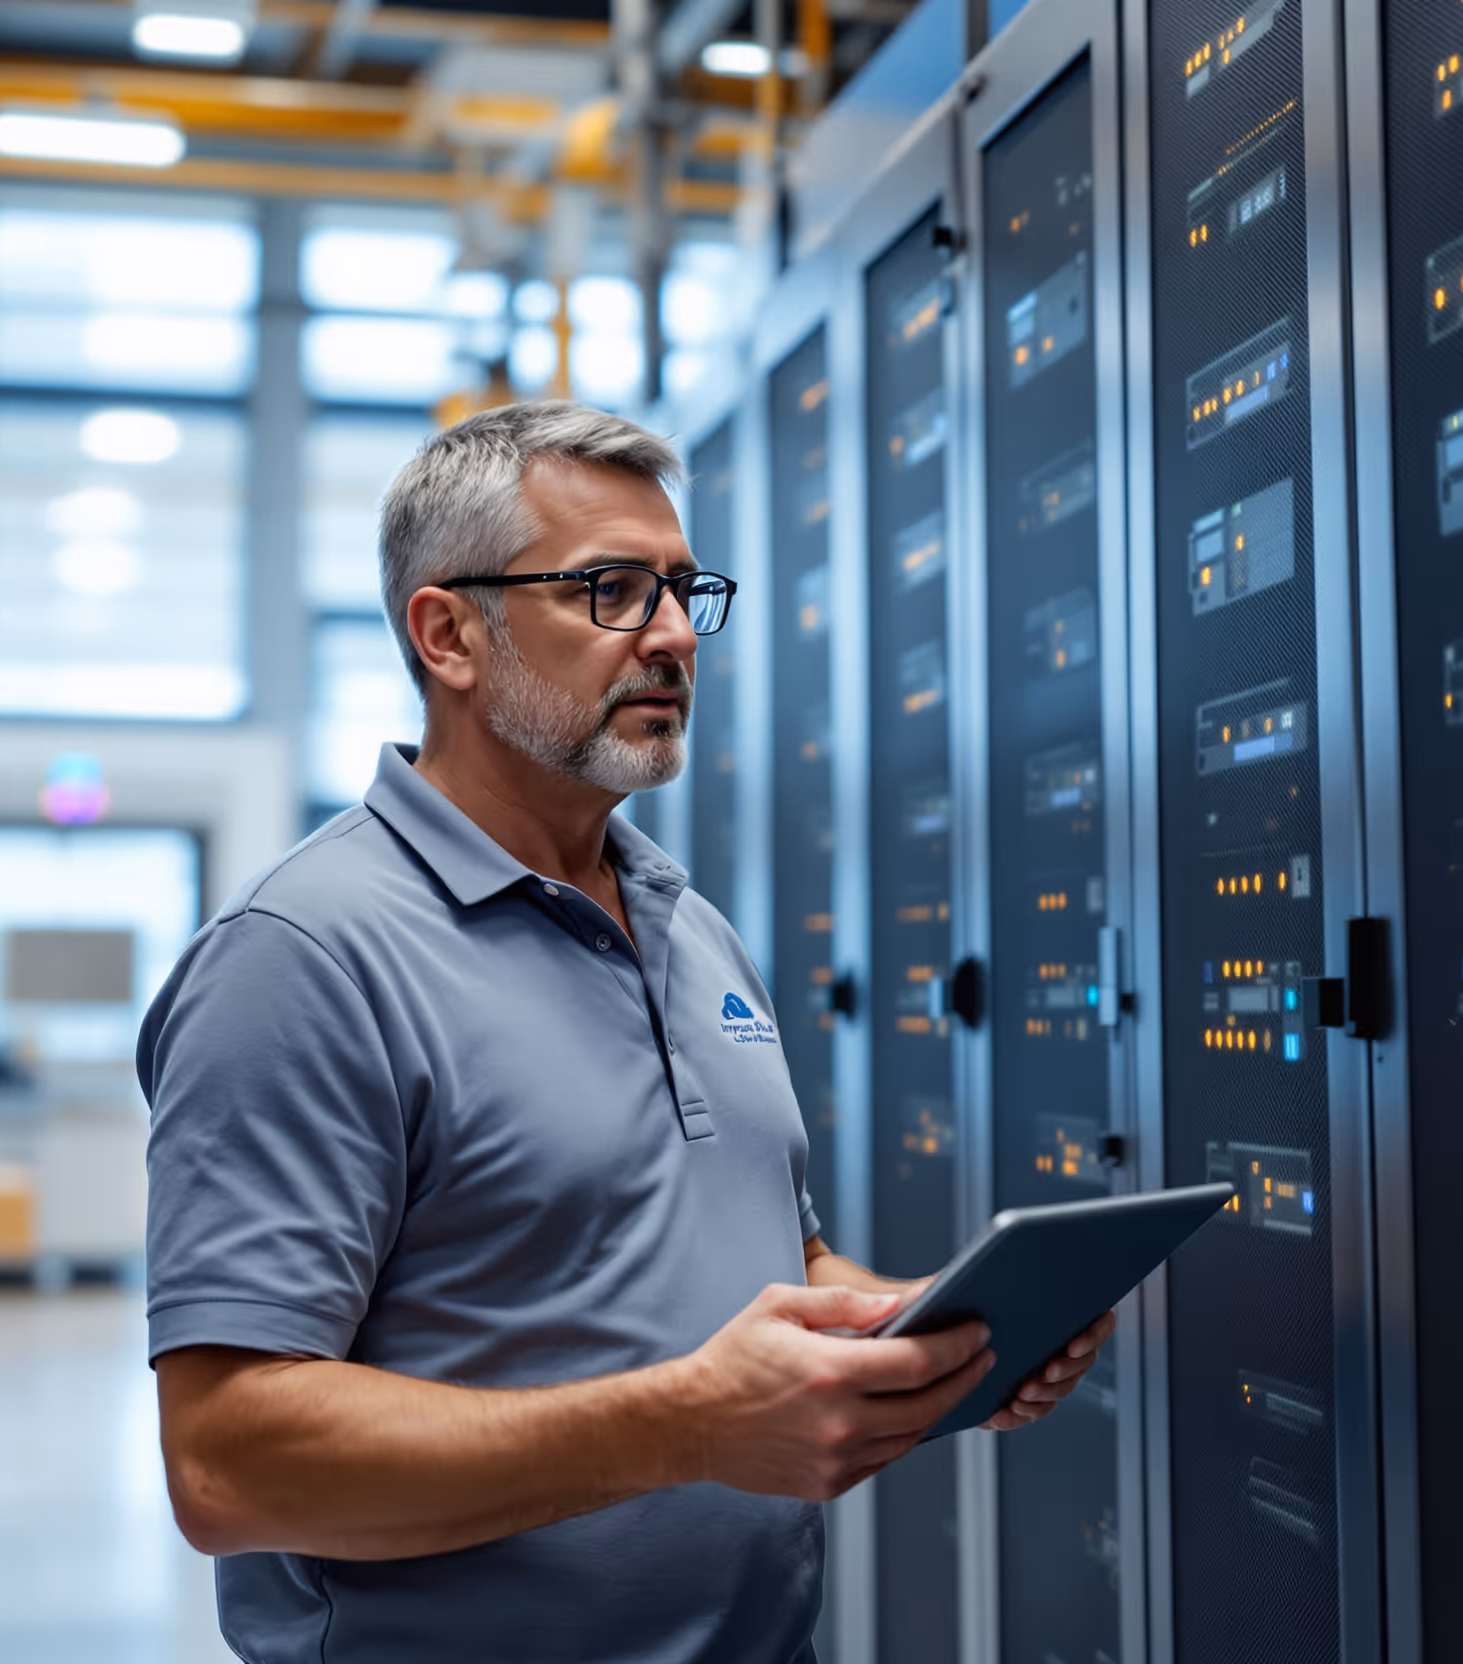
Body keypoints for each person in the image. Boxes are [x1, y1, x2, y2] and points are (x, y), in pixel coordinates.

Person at [140, 401, 1116, 1663]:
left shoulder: (687, 925)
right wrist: (685, 1425)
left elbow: (775, 1254)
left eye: (682, 590)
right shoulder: (304, 956)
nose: (672, 635)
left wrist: (934, 1327)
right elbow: (226, 1461)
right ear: (449, 635)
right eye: (610, 590)